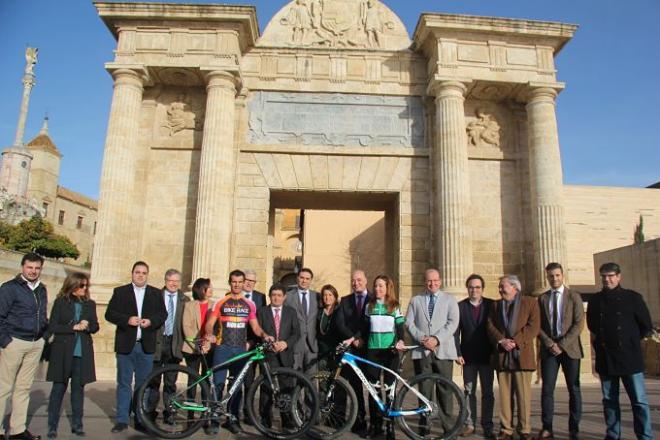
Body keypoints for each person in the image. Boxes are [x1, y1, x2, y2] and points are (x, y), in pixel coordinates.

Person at [586, 262, 654, 440]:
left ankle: (645, 436)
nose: (607, 279)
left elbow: (645, 325)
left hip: (630, 357)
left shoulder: (633, 298)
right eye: (604, 276)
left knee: (639, 401)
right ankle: (613, 434)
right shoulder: (595, 300)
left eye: (610, 276)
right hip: (606, 357)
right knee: (609, 400)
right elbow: (592, 325)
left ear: (618, 276)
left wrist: (629, 340)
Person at [204, 270, 272, 434]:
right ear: (230, 282)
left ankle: (232, 419)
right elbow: (209, 323)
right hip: (223, 348)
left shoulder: (250, 304)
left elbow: (255, 327)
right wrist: (209, 334)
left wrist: (265, 335)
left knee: (236, 386)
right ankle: (214, 420)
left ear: (243, 284)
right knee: (217, 385)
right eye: (234, 282)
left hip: (241, 350)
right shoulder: (221, 302)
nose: (237, 285)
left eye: (240, 282)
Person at [105, 261, 167, 434]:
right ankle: (122, 420)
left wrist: (151, 322)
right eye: (137, 272)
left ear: (148, 275)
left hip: (145, 346)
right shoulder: (120, 292)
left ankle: (140, 419)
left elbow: (163, 314)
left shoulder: (155, 293)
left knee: (143, 385)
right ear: (132, 273)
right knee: (124, 383)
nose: (140, 275)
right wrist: (127, 320)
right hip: (126, 345)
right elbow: (109, 313)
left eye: (144, 273)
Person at [0, 252, 49, 440]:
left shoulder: (41, 289)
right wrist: (5, 341)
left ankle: (18, 430)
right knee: (4, 387)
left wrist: (43, 336)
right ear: (22, 267)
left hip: (35, 343)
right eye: (30, 267)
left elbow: (42, 314)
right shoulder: (9, 288)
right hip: (15, 341)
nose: (33, 271)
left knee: (23, 388)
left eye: (37, 268)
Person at [405, 268, 459, 435]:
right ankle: (424, 428)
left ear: (440, 281)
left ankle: (448, 429)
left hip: (443, 351)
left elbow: (453, 323)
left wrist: (436, 339)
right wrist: (422, 338)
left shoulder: (450, 300)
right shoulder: (416, 300)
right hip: (422, 352)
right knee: (424, 391)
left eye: (435, 280)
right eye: (429, 280)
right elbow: (409, 323)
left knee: (445, 391)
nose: (432, 283)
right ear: (424, 282)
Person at [46, 272, 99, 439]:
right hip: (62, 352)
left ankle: (77, 425)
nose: (84, 288)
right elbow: (53, 326)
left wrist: (88, 325)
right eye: (81, 285)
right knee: (58, 389)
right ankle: (52, 426)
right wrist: (73, 328)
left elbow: (96, 326)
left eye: (86, 286)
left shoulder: (90, 304)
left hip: (81, 352)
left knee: (78, 390)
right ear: (72, 285)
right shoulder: (61, 302)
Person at [486, 275, 540, 440]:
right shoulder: (496, 305)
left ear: (515, 288)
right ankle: (506, 429)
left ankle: (524, 429)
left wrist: (515, 341)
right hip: (503, 356)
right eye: (500, 287)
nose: (500, 289)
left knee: (523, 395)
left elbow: (534, 326)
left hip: (522, 355)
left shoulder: (530, 302)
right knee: (505, 395)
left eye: (504, 286)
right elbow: (490, 325)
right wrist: (502, 341)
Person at [536, 263, 583, 440]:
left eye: (557, 275)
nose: (554, 279)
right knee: (547, 390)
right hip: (549, 350)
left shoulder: (574, 296)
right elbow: (538, 325)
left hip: (570, 349)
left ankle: (574, 428)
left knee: (574, 389)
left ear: (562, 275)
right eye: (551, 276)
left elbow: (578, 324)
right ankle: (547, 427)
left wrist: (561, 344)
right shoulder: (542, 299)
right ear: (547, 277)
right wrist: (550, 343)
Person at [358, 275, 404, 440]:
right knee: (373, 390)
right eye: (375, 286)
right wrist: (356, 338)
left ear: (387, 288)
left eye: (381, 286)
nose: (377, 289)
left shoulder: (394, 306)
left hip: (390, 352)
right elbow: (364, 328)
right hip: (372, 351)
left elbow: (400, 326)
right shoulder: (369, 306)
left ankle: (390, 425)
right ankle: (375, 425)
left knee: (390, 389)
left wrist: (401, 340)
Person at [145, 269, 190, 424]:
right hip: (157, 343)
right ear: (165, 281)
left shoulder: (185, 300)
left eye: (177, 281)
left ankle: (169, 412)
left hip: (174, 344)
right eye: (171, 280)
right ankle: (150, 411)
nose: (174, 283)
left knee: (171, 382)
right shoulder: (154, 297)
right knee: (154, 380)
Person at [454, 274, 495, 439]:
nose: (474, 290)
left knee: (488, 392)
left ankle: (487, 425)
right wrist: (457, 353)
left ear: (482, 289)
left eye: (477, 287)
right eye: (471, 287)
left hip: (487, 356)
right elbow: (455, 333)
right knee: (469, 391)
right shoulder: (460, 307)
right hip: (468, 357)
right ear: (467, 288)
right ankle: (470, 424)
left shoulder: (491, 305)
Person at [256, 284, 300, 426]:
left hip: (286, 355)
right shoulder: (262, 312)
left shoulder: (291, 312)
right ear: (270, 296)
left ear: (284, 297)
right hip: (269, 356)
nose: (276, 298)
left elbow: (296, 333)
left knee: (286, 388)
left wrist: (286, 343)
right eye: (273, 295)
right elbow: (258, 332)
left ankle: (286, 420)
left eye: (279, 295)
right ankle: (265, 419)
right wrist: (267, 341)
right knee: (267, 388)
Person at [334, 269, 370, 435]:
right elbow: (340, 324)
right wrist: (353, 338)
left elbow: (369, 323)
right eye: (353, 280)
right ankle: (347, 420)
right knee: (348, 386)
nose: (356, 283)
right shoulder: (345, 300)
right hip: (350, 349)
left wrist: (360, 338)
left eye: (359, 280)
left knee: (366, 386)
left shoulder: (373, 299)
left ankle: (367, 421)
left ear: (365, 281)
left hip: (367, 349)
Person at [182, 278, 215, 433]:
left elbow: (217, 327)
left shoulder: (214, 305)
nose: (211, 289)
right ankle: (190, 416)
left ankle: (205, 417)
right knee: (192, 382)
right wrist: (197, 344)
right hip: (192, 349)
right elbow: (186, 327)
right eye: (209, 287)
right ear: (202, 289)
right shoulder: (189, 305)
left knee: (207, 383)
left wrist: (208, 344)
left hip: (209, 349)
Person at [241, 269, 266, 425]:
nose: (249, 283)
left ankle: (248, 413)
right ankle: (233, 414)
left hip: (254, 344)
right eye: (247, 280)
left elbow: (261, 320)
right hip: (237, 345)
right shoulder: (232, 296)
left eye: (252, 281)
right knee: (235, 381)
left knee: (250, 381)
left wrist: (253, 340)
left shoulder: (260, 297)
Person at [284, 268, 319, 374]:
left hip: (312, 345)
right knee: (294, 377)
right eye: (302, 278)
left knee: (311, 378)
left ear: (311, 280)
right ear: (297, 278)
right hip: (295, 344)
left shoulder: (317, 296)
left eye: (307, 278)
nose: (304, 281)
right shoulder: (288, 297)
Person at [317, 284, 341, 373]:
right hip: (322, 352)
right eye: (325, 295)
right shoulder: (319, 312)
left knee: (337, 380)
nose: (327, 297)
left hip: (337, 352)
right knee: (323, 379)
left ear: (335, 297)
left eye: (330, 295)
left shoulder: (339, 311)